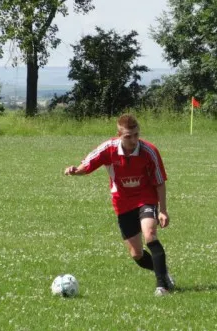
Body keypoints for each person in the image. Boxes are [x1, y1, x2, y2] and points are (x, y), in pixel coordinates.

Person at [64, 114, 174, 296]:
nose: (134, 140)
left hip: (146, 198)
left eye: (136, 135)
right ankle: (162, 271)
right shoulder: (109, 149)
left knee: (150, 234)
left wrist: (163, 210)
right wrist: (75, 170)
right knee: (136, 254)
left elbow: (160, 182)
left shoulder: (149, 151)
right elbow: (87, 165)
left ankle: (162, 286)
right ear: (119, 135)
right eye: (128, 136)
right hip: (123, 203)